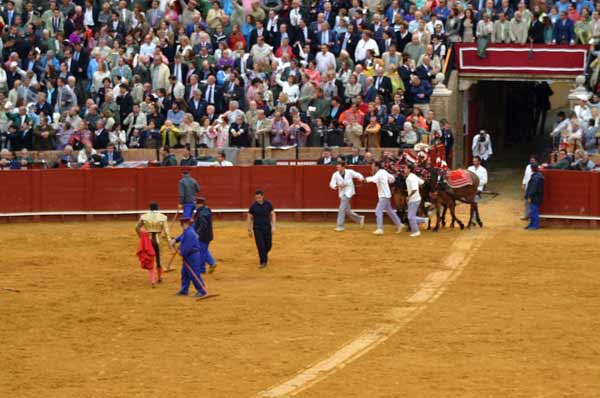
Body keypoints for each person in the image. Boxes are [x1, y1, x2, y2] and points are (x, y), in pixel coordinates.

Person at [170, 217, 209, 297]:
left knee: (194, 274)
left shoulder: (189, 233)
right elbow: (182, 236)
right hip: (189, 256)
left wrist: (181, 253)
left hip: (192, 256)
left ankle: (202, 290)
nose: (181, 225)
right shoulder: (188, 230)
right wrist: (175, 240)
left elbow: (187, 247)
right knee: (185, 273)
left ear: (185, 224)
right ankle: (184, 290)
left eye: (182, 224)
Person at [136, 202, 172, 284]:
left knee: (150, 259)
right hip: (158, 239)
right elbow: (166, 232)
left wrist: (141, 237)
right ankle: (159, 278)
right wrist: (169, 242)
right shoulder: (163, 217)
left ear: (150, 208)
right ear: (158, 208)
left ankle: (152, 280)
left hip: (148, 240)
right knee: (159, 259)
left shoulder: (144, 216)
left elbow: (136, 227)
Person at [366, 161, 404, 235]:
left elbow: (374, 179)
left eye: (373, 166)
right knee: (390, 211)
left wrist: (365, 179)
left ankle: (380, 228)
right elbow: (392, 178)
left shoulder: (379, 173)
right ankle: (399, 224)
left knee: (378, 211)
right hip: (386, 194)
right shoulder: (383, 171)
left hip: (383, 195)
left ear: (377, 166)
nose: (372, 167)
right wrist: (388, 182)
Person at [329, 160, 365, 232]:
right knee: (347, 211)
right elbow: (331, 184)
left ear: (343, 167)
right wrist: (337, 186)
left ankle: (340, 226)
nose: (337, 168)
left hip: (349, 192)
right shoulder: (335, 174)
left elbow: (358, 175)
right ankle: (359, 219)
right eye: (337, 167)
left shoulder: (350, 172)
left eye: (339, 167)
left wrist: (362, 179)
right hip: (342, 193)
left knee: (341, 208)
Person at [248, 189, 276, 269]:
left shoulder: (268, 204)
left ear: (263, 197)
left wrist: (273, 226)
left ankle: (264, 254)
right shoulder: (253, 206)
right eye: (256, 198)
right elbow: (249, 217)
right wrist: (249, 229)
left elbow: (273, 214)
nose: (258, 199)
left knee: (269, 245)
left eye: (259, 197)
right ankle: (263, 262)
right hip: (257, 228)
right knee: (260, 245)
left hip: (267, 227)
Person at [404, 164, 429, 237]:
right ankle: (424, 220)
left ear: (409, 169)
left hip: (413, 199)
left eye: (405, 168)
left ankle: (417, 231)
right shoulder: (413, 176)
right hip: (416, 199)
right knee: (411, 216)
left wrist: (408, 196)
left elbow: (414, 189)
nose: (404, 170)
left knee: (411, 217)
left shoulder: (410, 178)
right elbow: (422, 182)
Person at [194, 196, 217, 274]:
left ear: (199, 204)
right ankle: (212, 262)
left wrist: (198, 233)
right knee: (204, 250)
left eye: (196, 204)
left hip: (203, 236)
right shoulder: (205, 210)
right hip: (207, 235)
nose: (195, 205)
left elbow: (203, 224)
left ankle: (202, 269)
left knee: (201, 252)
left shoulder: (202, 212)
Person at [467, 156, 488, 226]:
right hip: (469, 188)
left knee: (474, 203)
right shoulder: (470, 168)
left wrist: (475, 183)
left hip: (478, 189)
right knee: (473, 204)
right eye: (473, 161)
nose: (474, 162)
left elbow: (485, 181)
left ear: (479, 162)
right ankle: (475, 219)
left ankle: (473, 219)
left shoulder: (483, 170)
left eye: (476, 161)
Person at [525, 163, 544, 230]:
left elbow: (533, 188)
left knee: (534, 211)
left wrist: (530, 196)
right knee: (533, 211)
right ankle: (531, 224)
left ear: (532, 169)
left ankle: (535, 225)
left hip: (535, 197)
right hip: (537, 196)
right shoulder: (538, 176)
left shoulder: (536, 177)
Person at [521, 156, 539, 221]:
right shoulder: (528, 166)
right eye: (531, 160)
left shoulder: (538, 168)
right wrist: (523, 184)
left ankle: (532, 216)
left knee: (532, 202)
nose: (531, 161)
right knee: (526, 202)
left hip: (533, 187)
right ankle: (526, 215)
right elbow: (525, 176)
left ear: (536, 161)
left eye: (533, 160)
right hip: (527, 186)